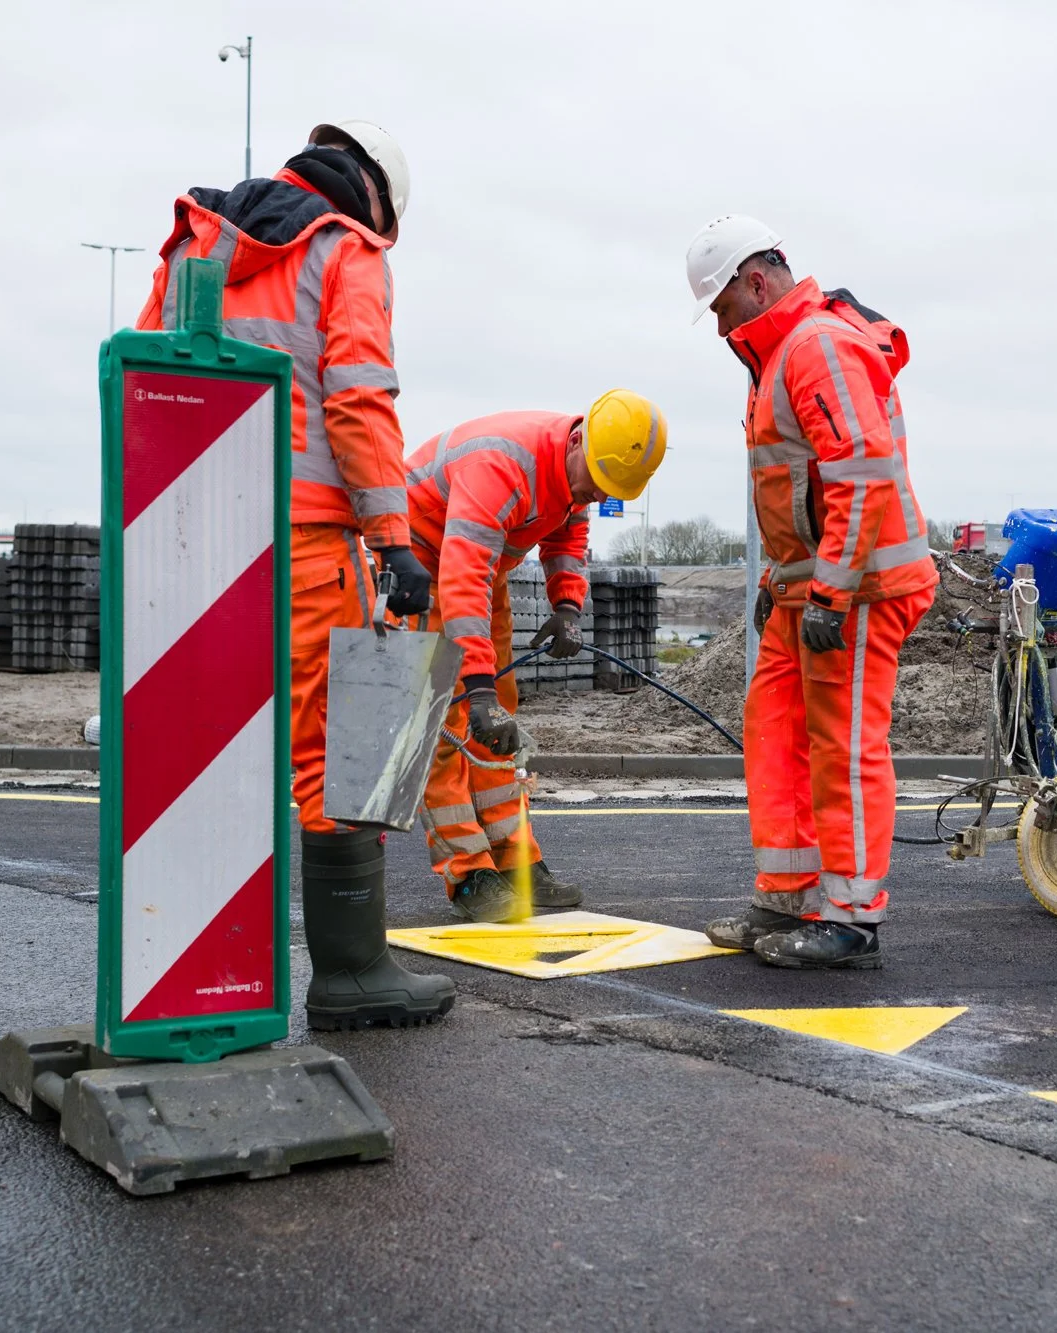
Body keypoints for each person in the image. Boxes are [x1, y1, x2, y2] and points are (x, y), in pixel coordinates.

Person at [135, 120, 457, 1031]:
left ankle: (195, 982)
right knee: (335, 752)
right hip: (307, 544)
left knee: (207, 749)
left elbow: (155, 370)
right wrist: (392, 537)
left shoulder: (200, 240)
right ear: (376, 194)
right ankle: (353, 973)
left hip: (198, 535)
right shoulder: (344, 251)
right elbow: (359, 397)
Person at [685, 215, 938, 970]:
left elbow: (858, 467)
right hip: (817, 585)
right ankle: (789, 892)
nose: (720, 326)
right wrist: (781, 579)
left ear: (755, 281)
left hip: (860, 587)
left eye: (722, 307)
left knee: (843, 745)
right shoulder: (780, 354)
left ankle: (851, 913)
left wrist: (827, 591)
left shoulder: (815, 346)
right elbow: (802, 492)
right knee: (773, 727)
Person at [406, 392, 667, 922]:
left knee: (499, 719)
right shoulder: (500, 465)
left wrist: (567, 605)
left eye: (606, 490)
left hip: (484, 570)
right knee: (448, 725)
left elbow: (568, 532)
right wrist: (476, 686)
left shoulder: (577, 473)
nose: (594, 494)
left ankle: (514, 862)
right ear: (577, 442)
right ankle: (469, 873)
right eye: (594, 481)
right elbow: (460, 583)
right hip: (419, 566)